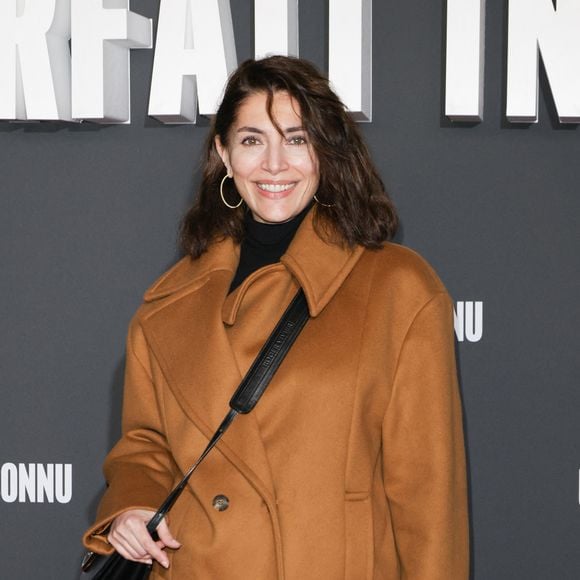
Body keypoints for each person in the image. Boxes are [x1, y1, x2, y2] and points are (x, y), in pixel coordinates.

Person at [83, 55, 469, 579]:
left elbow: (428, 496)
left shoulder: (398, 289)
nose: (273, 165)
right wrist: (131, 505)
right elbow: (145, 446)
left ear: (325, 152)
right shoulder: (168, 306)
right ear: (223, 153)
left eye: (295, 138)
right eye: (251, 140)